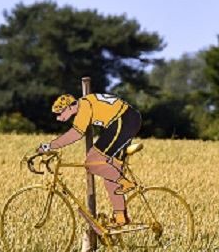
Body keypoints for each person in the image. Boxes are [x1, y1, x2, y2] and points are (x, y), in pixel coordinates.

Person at [37, 93, 142, 226]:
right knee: (109, 173)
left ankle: (125, 182)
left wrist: (49, 146)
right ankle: (120, 217)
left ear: (70, 107)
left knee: (92, 163)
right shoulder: (85, 103)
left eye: (61, 112)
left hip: (123, 120)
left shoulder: (83, 106)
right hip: (129, 118)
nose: (59, 117)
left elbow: (75, 134)